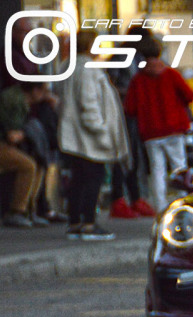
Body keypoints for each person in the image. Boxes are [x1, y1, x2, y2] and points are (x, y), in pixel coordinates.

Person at [58, 29, 129, 240]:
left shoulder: (69, 67)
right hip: (89, 136)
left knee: (79, 178)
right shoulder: (88, 70)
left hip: (75, 134)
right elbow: (88, 103)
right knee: (93, 177)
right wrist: (102, 129)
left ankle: (75, 222)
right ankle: (88, 223)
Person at [125, 35, 193, 214]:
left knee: (157, 170)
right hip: (174, 128)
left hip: (150, 132)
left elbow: (130, 108)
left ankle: (160, 206)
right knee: (179, 165)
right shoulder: (171, 74)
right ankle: (181, 202)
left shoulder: (138, 80)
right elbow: (189, 95)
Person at [107, 25, 154, 219]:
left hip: (135, 113)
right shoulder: (120, 57)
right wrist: (129, 93)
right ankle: (118, 197)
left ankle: (135, 197)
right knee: (122, 155)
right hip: (122, 112)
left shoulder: (140, 58)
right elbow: (111, 85)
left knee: (134, 155)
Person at [0, 81, 50, 228]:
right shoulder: (14, 100)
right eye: (44, 91)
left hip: (2, 141)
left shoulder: (19, 98)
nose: (46, 95)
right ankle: (17, 211)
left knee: (39, 163)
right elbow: (13, 136)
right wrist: (29, 133)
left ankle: (29, 209)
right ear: (35, 90)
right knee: (28, 166)